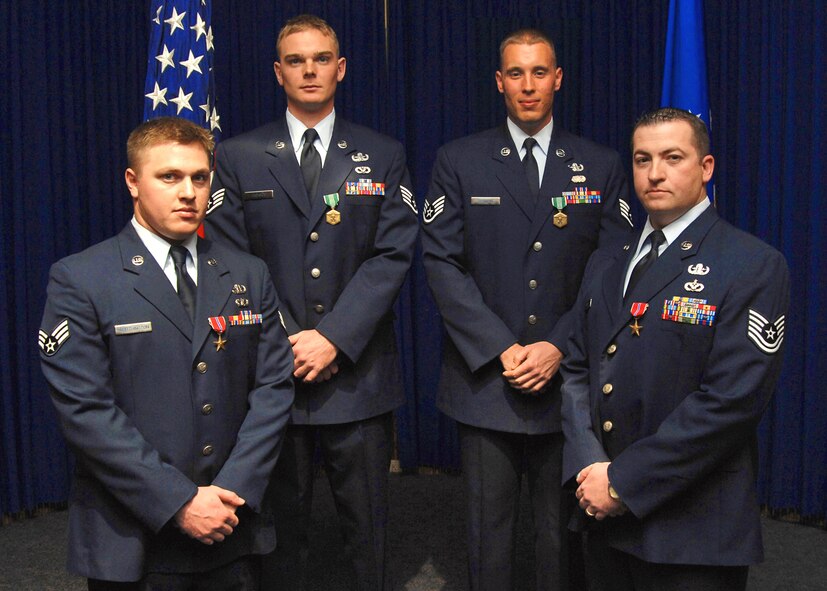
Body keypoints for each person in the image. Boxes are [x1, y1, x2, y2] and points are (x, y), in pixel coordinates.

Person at [204, 14, 418, 590]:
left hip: (359, 375)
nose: (309, 70)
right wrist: (287, 340)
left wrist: (333, 338)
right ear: (278, 72)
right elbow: (228, 258)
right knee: (279, 530)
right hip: (274, 375)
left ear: (340, 68)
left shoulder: (383, 153)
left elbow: (392, 254)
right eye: (296, 61)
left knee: (366, 532)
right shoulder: (239, 156)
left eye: (321, 58)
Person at [37, 116, 295, 590]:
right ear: (133, 182)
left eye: (199, 177)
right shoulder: (82, 278)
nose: (188, 192)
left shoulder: (248, 273)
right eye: (169, 176)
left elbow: (274, 387)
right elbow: (85, 412)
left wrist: (232, 491)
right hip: (133, 535)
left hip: (231, 526)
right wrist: (179, 502)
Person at [420, 28, 633, 591]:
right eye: (516, 73)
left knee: (560, 535)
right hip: (489, 379)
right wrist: (503, 348)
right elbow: (441, 264)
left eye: (540, 72)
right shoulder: (458, 161)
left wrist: (558, 346)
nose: (528, 85)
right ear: (499, 82)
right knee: (487, 533)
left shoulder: (601, 164)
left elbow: (610, 270)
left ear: (557, 79)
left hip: (569, 379)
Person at [561, 107, 790, 591]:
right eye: (643, 159)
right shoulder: (606, 261)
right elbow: (578, 371)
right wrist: (590, 466)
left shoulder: (751, 264)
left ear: (705, 168)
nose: (655, 173)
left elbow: (730, 403)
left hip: (692, 529)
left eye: (672, 157)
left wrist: (622, 482)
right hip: (602, 515)